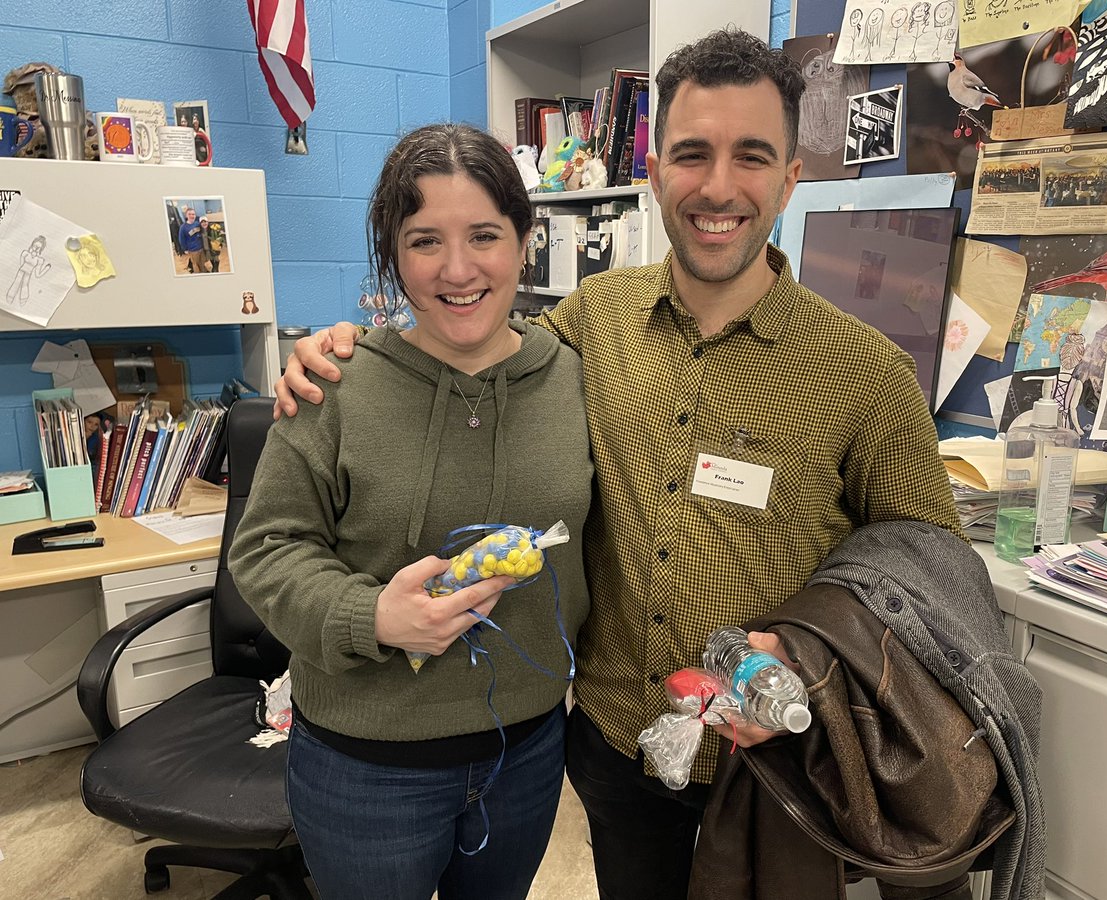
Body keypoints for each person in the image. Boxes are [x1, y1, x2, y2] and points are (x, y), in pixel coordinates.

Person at [275, 28, 963, 900]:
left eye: (751, 156)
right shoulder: (590, 322)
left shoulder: (864, 373)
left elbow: (932, 573)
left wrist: (810, 659)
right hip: (617, 748)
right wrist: (346, 347)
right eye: (691, 154)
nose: (718, 187)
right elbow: (467, 340)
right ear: (653, 169)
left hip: (775, 765)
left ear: (792, 177)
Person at [228, 122, 593, 900]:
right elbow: (266, 549)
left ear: (526, 241)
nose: (457, 270)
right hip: (364, 765)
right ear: (392, 253)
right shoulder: (335, 383)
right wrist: (374, 618)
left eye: (485, 235)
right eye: (425, 240)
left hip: (524, 754)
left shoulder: (576, 377)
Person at [176, 207, 206, 275]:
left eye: (193, 214)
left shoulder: (197, 223)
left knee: (202, 263)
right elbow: (181, 239)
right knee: (195, 265)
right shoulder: (183, 227)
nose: (192, 216)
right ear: (186, 215)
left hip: (201, 248)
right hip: (193, 250)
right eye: (190, 214)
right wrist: (185, 249)